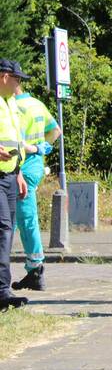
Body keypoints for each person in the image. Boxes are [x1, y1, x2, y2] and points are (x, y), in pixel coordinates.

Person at [11, 81, 61, 292]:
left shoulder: (13, 107)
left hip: (19, 166)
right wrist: (42, 148)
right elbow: (56, 131)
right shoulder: (37, 104)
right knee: (18, 216)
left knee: (20, 217)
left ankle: (35, 267)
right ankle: (34, 269)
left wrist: (31, 148)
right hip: (35, 166)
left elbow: (13, 141)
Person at [0, 59, 29, 310]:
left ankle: (3, 290)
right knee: (3, 229)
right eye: (17, 79)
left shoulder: (9, 103)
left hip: (10, 175)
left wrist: (18, 172)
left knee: (7, 232)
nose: (19, 84)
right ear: (4, 77)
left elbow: (15, 141)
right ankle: (2, 292)